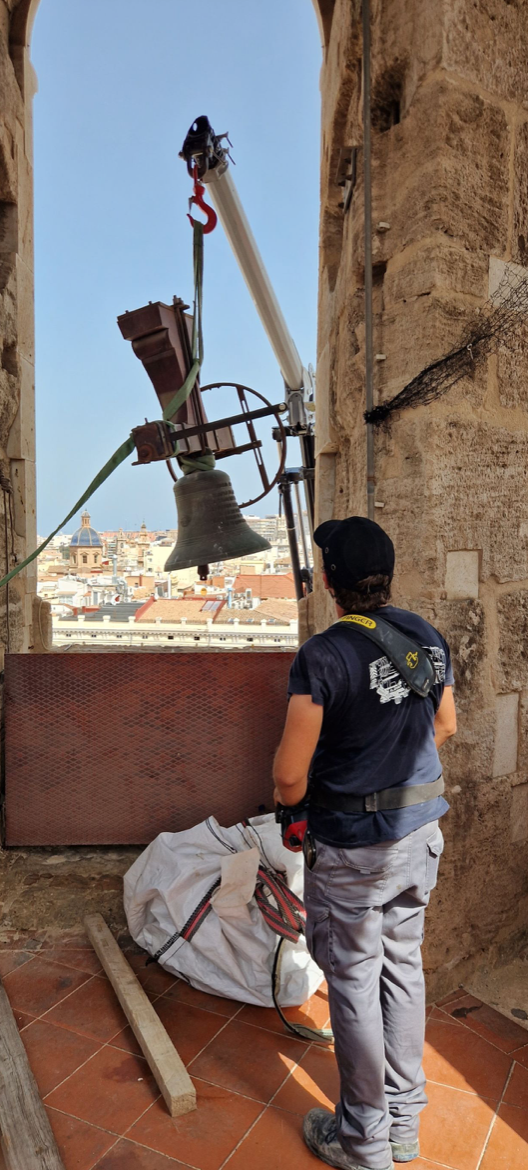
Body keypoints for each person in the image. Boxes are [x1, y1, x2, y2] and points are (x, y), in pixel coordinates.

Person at [273, 516, 456, 1170]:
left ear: (329, 583)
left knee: (352, 984)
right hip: (418, 836)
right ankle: (404, 1126)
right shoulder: (425, 638)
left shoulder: (322, 656)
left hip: (355, 848)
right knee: (403, 971)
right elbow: (446, 723)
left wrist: (298, 808)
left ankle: (363, 1143)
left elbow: (290, 775)